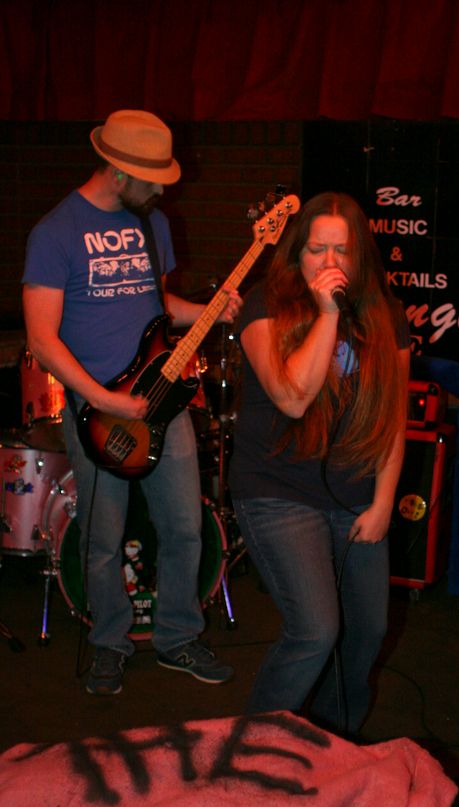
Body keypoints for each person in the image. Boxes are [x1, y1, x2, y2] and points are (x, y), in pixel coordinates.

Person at [22, 109, 241, 695]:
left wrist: (212, 311)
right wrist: (103, 399)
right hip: (98, 412)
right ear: (118, 171)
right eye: (152, 179)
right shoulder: (55, 233)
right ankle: (109, 643)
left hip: (162, 401)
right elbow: (41, 339)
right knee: (103, 539)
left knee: (185, 528)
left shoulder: (152, 223)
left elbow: (158, 308)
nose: (162, 189)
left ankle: (177, 637)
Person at [228, 191, 410, 736]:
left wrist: (384, 503)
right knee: (314, 630)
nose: (329, 262)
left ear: (360, 256)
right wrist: (327, 314)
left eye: (341, 250)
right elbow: (292, 397)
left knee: (367, 632)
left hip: (354, 494)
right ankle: (254, 746)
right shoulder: (264, 305)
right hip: (277, 488)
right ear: (296, 252)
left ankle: (331, 744)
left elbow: (393, 417)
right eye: (316, 249)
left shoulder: (385, 315)